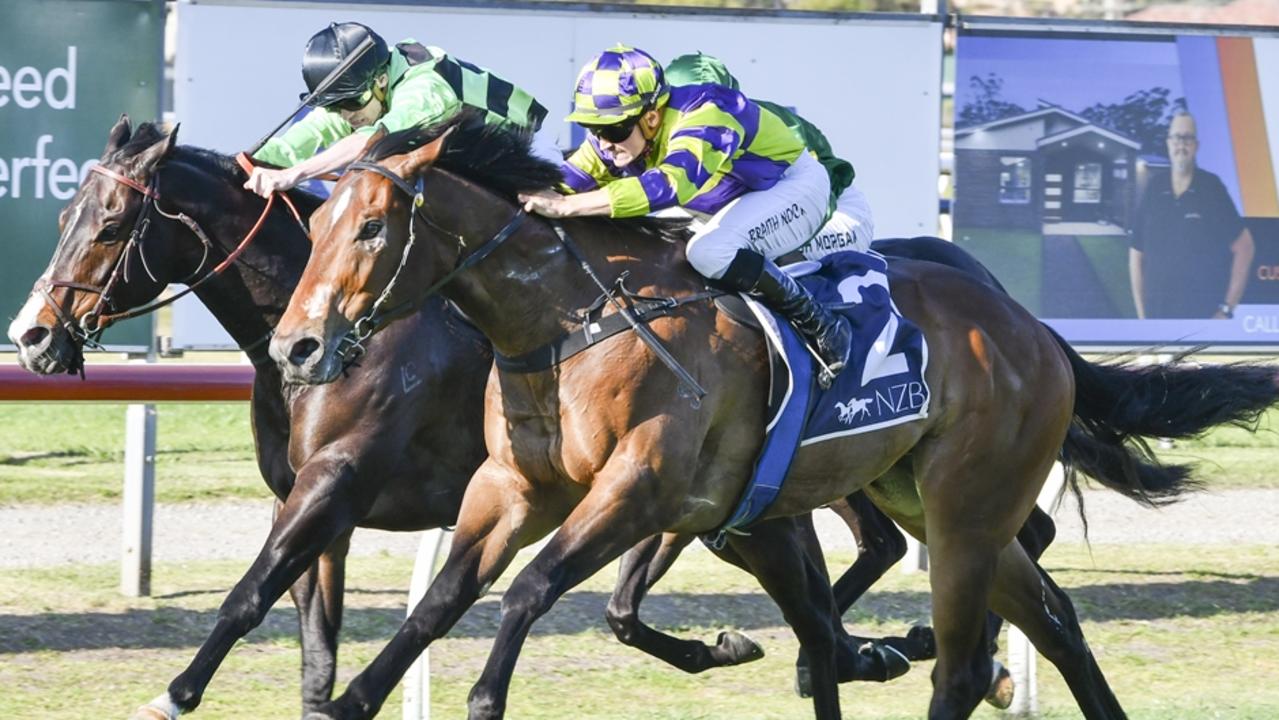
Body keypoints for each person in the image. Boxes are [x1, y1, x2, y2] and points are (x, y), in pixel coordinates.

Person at [518, 45, 851, 382]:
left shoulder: (707, 111)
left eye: (614, 130)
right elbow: (562, 184)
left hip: (791, 188)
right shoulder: (617, 135)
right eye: (593, 129)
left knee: (709, 252)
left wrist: (569, 206)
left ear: (651, 116)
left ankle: (821, 323)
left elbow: (672, 185)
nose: (604, 143)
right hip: (731, 201)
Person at [247, 22, 555, 197]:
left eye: (351, 103)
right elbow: (303, 136)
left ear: (382, 80)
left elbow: (372, 139)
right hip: (467, 164)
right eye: (335, 106)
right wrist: (244, 165)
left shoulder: (425, 87)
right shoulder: (362, 90)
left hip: (524, 153)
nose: (345, 115)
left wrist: (293, 174)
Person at [664, 51, 873, 259]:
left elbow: (816, 196)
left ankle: (798, 293)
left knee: (751, 249)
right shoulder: (659, 133)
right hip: (745, 213)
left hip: (835, 213)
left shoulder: (775, 126)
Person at [1128, 111, 1255, 319]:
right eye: (1176, 137)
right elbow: (1136, 254)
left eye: (1187, 138)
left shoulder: (1212, 187)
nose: (1181, 144)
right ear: (1168, 143)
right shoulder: (1154, 188)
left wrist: (1227, 308)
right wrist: (1142, 316)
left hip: (1202, 321)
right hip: (1157, 319)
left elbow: (1245, 247)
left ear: (1196, 145)